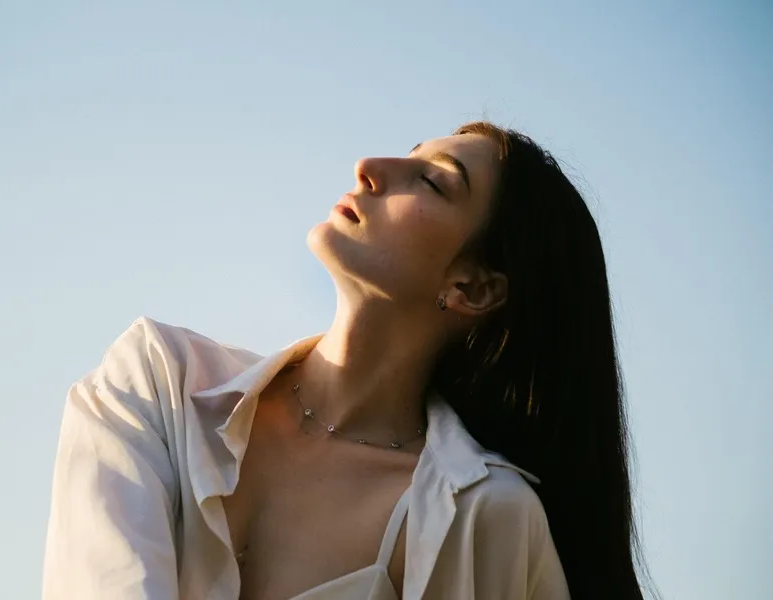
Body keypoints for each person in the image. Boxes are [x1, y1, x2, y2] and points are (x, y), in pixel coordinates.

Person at [42, 121, 650, 599]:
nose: (370, 167)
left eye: (432, 181)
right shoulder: (156, 384)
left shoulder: (482, 520)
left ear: (472, 289)